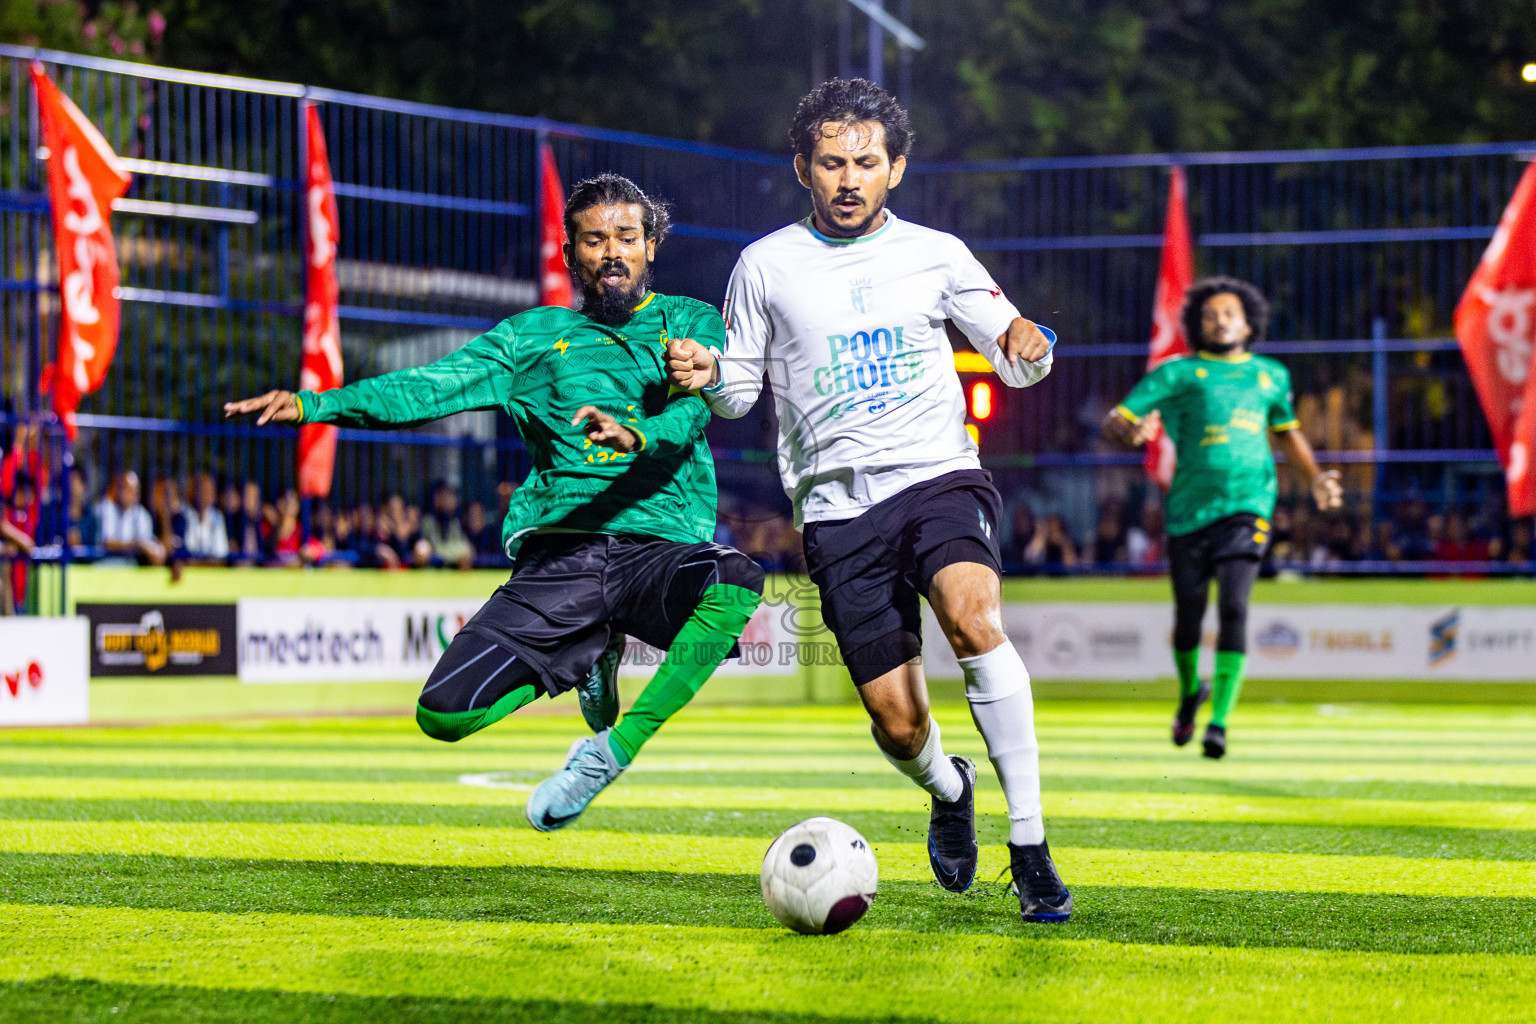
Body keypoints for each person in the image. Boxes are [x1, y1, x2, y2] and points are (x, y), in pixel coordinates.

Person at [226, 172, 764, 830]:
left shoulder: (687, 320)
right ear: (570, 254)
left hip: (658, 546)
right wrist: (318, 405)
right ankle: (588, 654)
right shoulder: (530, 339)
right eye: (595, 240)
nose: (613, 251)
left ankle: (608, 754)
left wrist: (638, 431)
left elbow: (694, 412)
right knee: (444, 714)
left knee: (737, 579)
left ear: (652, 245)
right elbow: (429, 387)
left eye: (627, 236)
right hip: (562, 554)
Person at [666, 79, 1070, 923]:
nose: (849, 178)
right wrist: (709, 377)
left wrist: (1030, 346)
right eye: (831, 163)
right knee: (896, 723)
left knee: (972, 617)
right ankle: (948, 785)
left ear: (896, 169)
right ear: (803, 170)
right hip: (836, 512)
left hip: (937, 477)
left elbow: (1014, 353)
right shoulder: (765, 265)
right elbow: (739, 394)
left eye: (866, 162)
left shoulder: (939, 252)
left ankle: (1029, 846)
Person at [1102, 276, 1342, 759]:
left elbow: (1287, 433)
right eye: (1210, 314)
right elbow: (1118, 420)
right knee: (1188, 620)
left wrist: (1315, 478)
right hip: (1189, 512)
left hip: (1249, 505)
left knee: (1234, 606)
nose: (1220, 320)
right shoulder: (1178, 373)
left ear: (1249, 321)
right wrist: (1128, 431)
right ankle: (1192, 691)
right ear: (1196, 324)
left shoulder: (1271, 375)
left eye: (1229, 312)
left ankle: (1220, 722)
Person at [95, 470, 166, 565]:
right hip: (106, 563)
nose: (134, 494)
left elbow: (148, 542)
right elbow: (108, 543)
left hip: (132, 566)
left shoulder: (141, 513)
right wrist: (139, 545)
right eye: (129, 489)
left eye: (136, 490)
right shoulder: (105, 508)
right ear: (117, 489)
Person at [178, 472, 229, 564]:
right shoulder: (181, 516)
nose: (208, 495)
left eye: (211, 490)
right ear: (192, 491)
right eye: (204, 490)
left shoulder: (217, 517)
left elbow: (221, 554)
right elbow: (183, 555)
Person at [422, 481, 475, 569]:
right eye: (442, 496)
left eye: (450, 497)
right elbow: (434, 547)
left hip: (451, 557)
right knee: (422, 549)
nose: (449, 500)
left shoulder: (455, 521)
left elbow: (466, 547)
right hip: (435, 558)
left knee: (467, 552)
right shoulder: (429, 520)